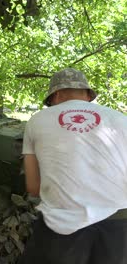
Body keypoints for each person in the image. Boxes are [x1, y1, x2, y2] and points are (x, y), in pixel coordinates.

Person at [18, 68, 127, 264]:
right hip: (119, 223)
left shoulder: (37, 120)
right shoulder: (121, 119)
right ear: (87, 94)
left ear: (56, 95)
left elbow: (33, 188)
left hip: (62, 224)